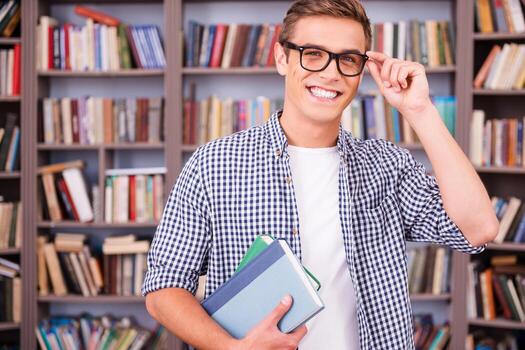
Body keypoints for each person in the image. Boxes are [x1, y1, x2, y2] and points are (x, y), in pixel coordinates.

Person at [142, 0, 499, 349]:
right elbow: (163, 288)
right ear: (282, 58)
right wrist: (230, 347)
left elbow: (478, 228)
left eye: (347, 59)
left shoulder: (387, 166)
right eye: (313, 53)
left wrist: (419, 110)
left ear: (362, 69)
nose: (330, 73)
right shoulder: (213, 165)